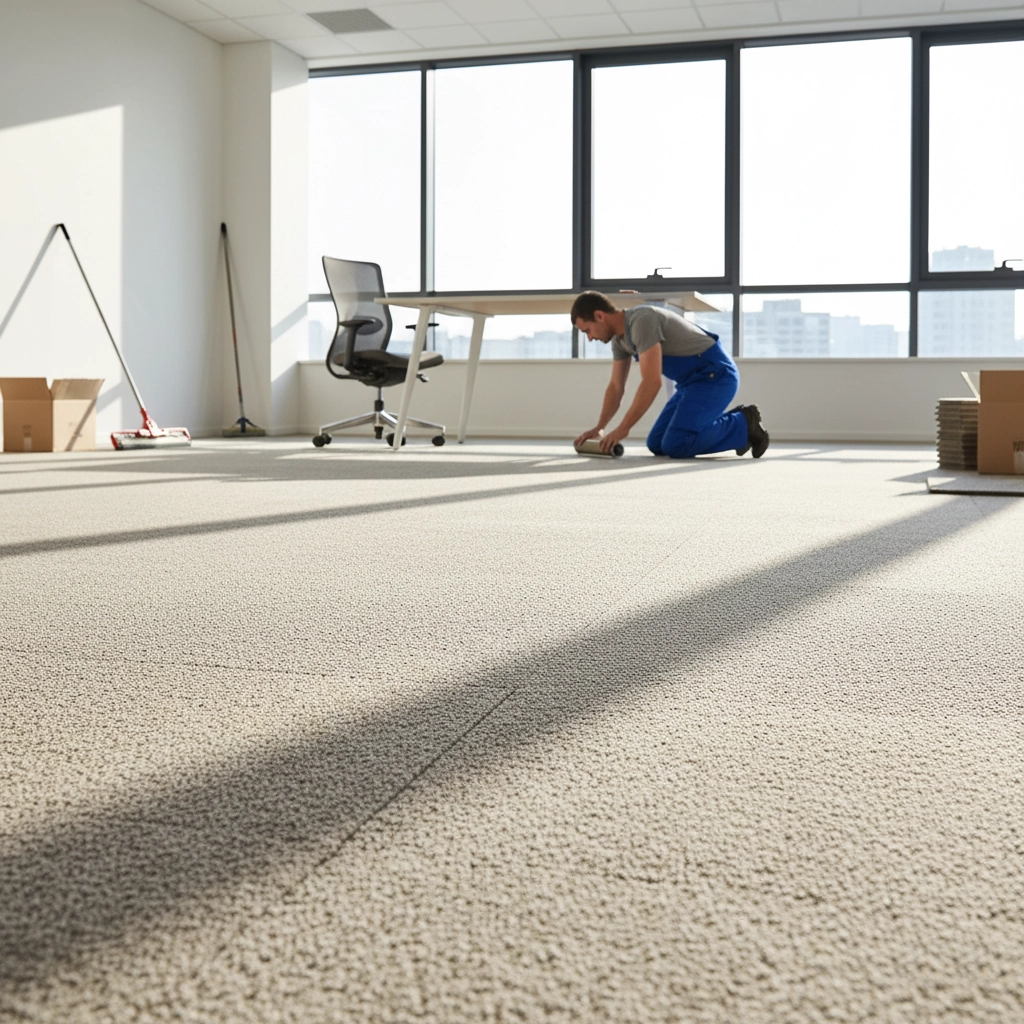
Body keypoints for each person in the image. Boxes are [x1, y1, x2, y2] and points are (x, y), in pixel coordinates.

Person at [571, 291, 769, 460]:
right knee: (656, 443)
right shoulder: (619, 341)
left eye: (587, 331)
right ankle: (733, 428)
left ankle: (743, 423)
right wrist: (600, 427)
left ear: (599, 316)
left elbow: (652, 381)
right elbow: (616, 387)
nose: (589, 338)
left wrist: (623, 428)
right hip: (690, 384)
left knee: (676, 444)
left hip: (716, 376)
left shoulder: (642, 320)